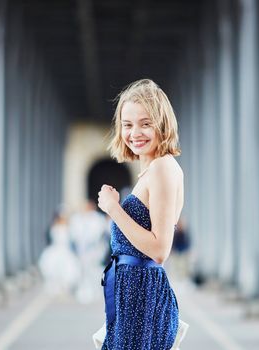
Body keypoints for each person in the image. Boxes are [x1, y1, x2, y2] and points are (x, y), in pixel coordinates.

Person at [93, 79, 188, 350]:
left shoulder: (162, 169)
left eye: (145, 123)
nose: (135, 132)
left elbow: (159, 248)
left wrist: (113, 209)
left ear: (162, 124)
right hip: (133, 297)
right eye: (127, 124)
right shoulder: (152, 170)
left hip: (142, 299)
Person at [69, 199, 109, 304]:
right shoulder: (77, 218)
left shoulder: (97, 218)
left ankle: (96, 290)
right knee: (82, 270)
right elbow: (74, 234)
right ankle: (84, 290)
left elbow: (100, 233)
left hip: (95, 249)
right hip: (81, 249)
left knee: (94, 270)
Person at [37, 212, 80, 296]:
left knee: (67, 269)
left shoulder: (67, 227)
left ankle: (64, 287)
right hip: (57, 249)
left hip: (65, 250)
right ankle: (56, 287)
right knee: (54, 268)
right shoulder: (55, 227)